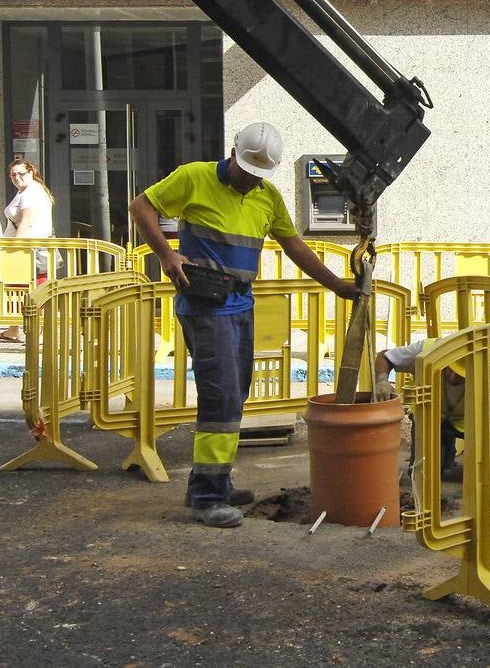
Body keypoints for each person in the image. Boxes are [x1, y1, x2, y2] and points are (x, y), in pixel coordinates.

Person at [129, 122, 361, 527]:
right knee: (220, 398)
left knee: (235, 393)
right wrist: (166, 255)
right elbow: (140, 206)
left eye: (259, 173)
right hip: (205, 305)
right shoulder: (194, 177)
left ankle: (216, 478)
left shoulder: (267, 196)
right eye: (247, 169)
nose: (251, 178)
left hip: (240, 302)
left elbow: (295, 245)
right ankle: (207, 496)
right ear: (233, 152)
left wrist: (337, 285)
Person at [372, 339, 490, 486]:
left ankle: (445, 450)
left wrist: (487, 487)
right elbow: (384, 356)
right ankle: (443, 450)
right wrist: (382, 380)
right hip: (430, 418)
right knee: (424, 477)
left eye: (461, 375)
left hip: (466, 422)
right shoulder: (427, 351)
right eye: (451, 369)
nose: (453, 377)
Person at [0, 157, 54, 343]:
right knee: (20, 289)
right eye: (13, 174)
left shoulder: (31, 193)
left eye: (21, 173)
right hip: (29, 248)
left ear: (31, 172)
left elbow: (27, 220)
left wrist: (16, 246)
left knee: (30, 288)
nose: (17, 177)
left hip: (28, 249)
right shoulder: (27, 192)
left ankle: (38, 329)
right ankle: (15, 328)